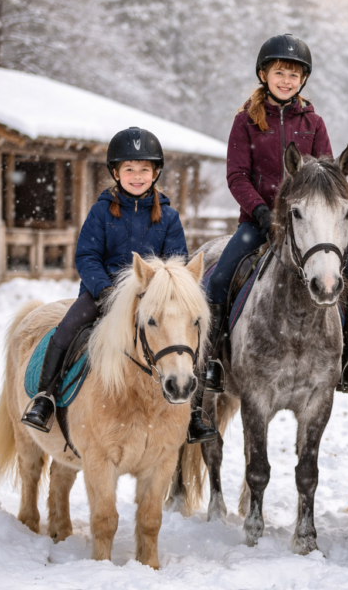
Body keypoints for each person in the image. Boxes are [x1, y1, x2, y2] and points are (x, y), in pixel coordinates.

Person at [21, 127, 218, 444]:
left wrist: (165, 289)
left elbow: (176, 262)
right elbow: (87, 256)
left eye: (144, 170)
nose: (137, 176)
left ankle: (194, 411)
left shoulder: (169, 217)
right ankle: (45, 397)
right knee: (67, 329)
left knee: (190, 337)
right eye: (129, 169)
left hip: (155, 299)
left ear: (155, 173)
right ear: (116, 173)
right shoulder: (100, 212)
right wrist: (104, 289)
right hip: (103, 294)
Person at [202, 33, 348, 395]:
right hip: (257, 223)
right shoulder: (245, 121)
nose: (286, 80)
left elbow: (327, 176)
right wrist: (261, 211)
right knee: (217, 281)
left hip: (306, 227)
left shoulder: (314, 123)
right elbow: (236, 176)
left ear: (303, 80)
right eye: (279, 72)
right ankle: (213, 361)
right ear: (263, 74)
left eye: (294, 75)